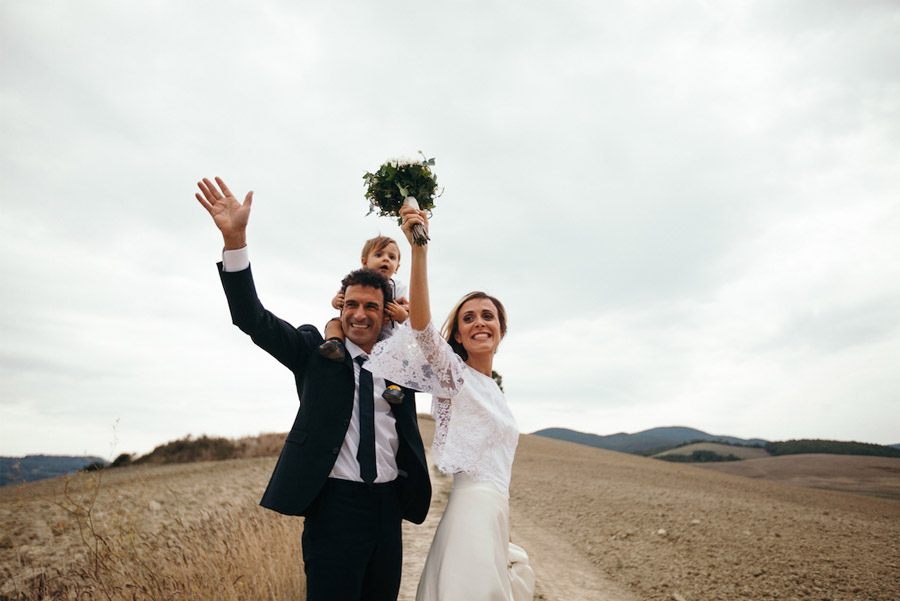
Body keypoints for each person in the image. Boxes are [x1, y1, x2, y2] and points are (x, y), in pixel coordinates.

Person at [194, 177, 431, 601]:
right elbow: (253, 319)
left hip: (387, 510)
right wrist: (235, 242)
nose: (361, 314)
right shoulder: (315, 352)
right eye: (352, 305)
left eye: (371, 307)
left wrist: (418, 244)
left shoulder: (401, 363)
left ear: (384, 313)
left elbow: (434, 348)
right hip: (333, 510)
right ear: (340, 304)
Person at [365, 205, 535, 601]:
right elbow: (422, 327)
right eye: (469, 318)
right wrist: (419, 248)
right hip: (470, 513)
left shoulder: (494, 390)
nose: (479, 322)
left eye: (488, 316)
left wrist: (503, 524)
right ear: (457, 335)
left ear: (500, 329)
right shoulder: (453, 376)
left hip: (494, 514)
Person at [319, 235, 410, 362]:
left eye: (392, 257)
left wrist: (402, 312)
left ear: (397, 267)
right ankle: (335, 343)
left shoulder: (397, 286)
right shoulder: (357, 281)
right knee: (334, 323)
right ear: (364, 262)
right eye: (378, 255)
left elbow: (408, 307)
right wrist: (336, 301)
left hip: (387, 332)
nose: (385, 259)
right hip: (356, 331)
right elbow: (339, 297)